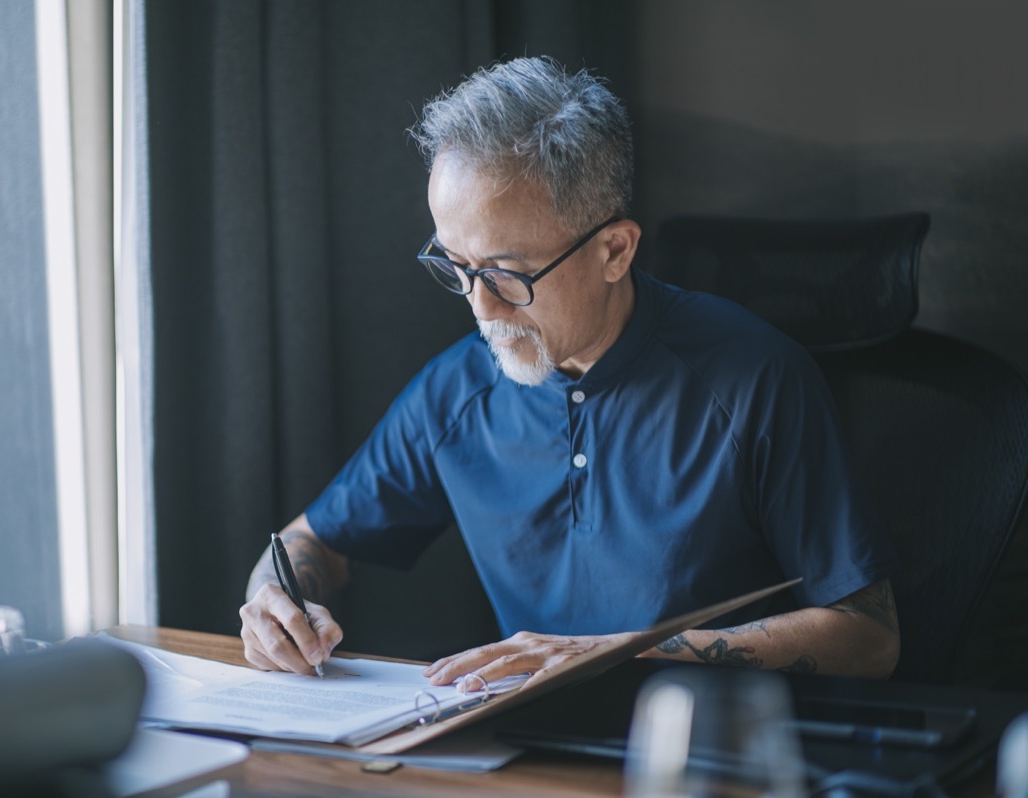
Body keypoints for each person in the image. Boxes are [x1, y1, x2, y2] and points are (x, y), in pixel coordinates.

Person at [238, 56, 900, 688]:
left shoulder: (755, 381)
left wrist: (612, 655)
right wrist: (276, 602)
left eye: (506, 273)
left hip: (716, 752)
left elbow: (870, 638)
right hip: (528, 755)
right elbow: (309, 542)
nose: (480, 306)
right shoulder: (457, 393)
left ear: (615, 250)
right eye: (455, 267)